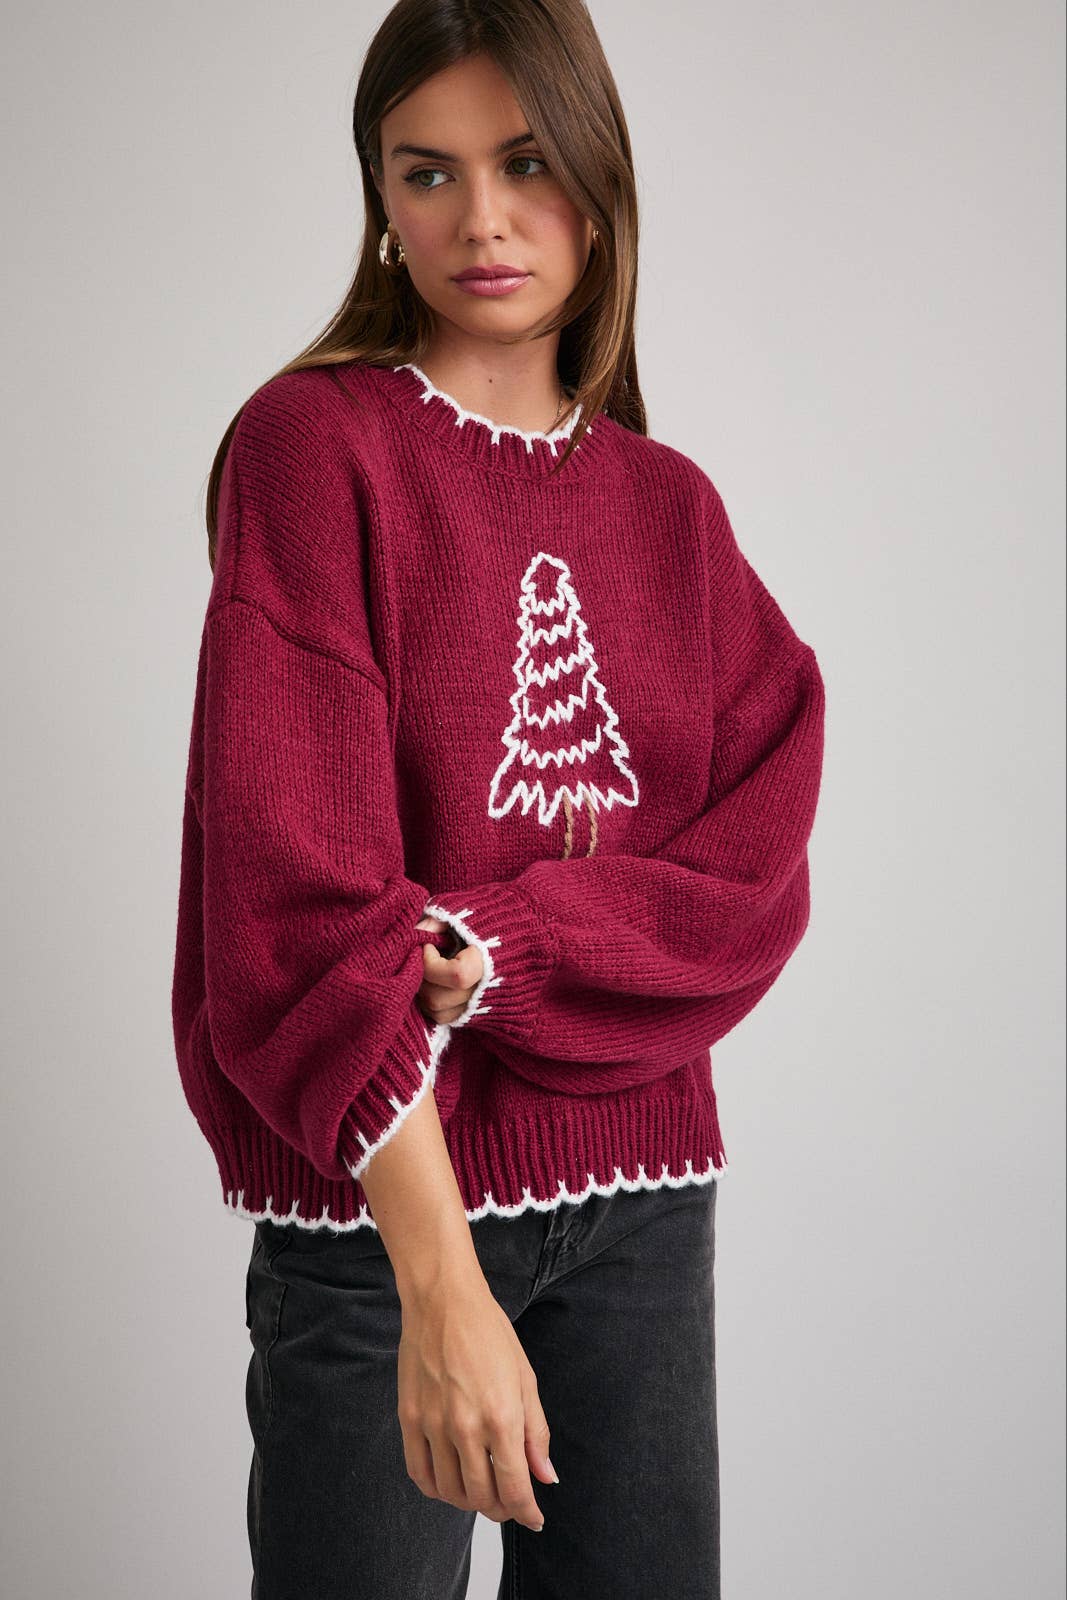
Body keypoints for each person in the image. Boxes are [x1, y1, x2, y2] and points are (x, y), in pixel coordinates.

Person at [170, 2, 827, 1595]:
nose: (480, 219)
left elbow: (751, 866)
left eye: (526, 163)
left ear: (598, 183)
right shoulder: (311, 449)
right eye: (428, 171)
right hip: (379, 1217)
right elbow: (292, 899)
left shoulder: (670, 509)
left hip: (644, 1208)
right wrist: (441, 1283)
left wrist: (513, 952)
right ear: (380, 199)